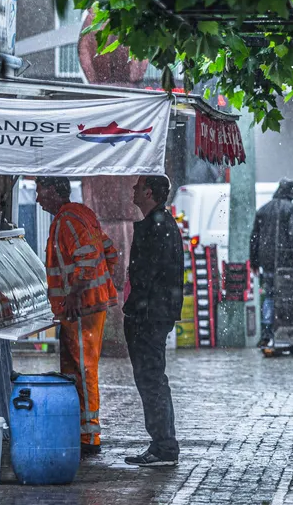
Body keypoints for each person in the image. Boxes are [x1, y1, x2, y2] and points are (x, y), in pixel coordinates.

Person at [36, 177, 119, 457]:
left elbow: (88, 258)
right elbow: (109, 252)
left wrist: (75, 295)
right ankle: (80, 430)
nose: (37, 199)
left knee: (83, 370)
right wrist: (102, 285)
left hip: (81, 308)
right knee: (75, 369)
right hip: (85, 307)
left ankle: (89, 435)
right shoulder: (81, 214)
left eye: (40, 191)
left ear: (54, 191)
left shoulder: (67, 220)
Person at [123, 175, 183, 467]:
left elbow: (147, 275)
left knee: (151, 379)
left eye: (138, 187)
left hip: (149, 316)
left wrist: (136, 310)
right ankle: (163, 444)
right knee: (153, 378)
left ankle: (164, 446)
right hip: (154, 314)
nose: (133, 190)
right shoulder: (162, 224)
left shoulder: (156, 227)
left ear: (149, 193)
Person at [249, 177, 293, 348]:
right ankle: (286, 331)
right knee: (287, 295)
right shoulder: (291, 209)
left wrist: (254, 261)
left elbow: (254, 238)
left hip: (266, 261)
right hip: (285, 259)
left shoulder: (263, 210)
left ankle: (267, 332)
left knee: (269, 296)